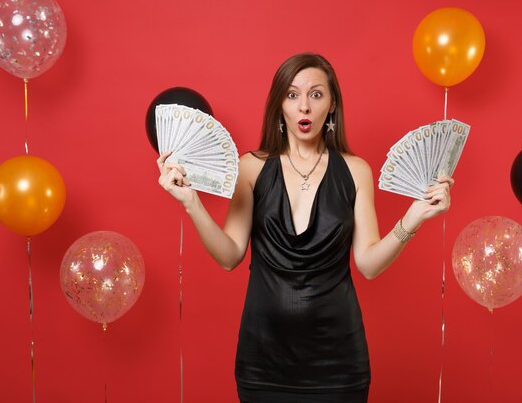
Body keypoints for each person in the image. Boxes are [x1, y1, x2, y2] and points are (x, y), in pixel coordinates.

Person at [157, 53, 453, 403]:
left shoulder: (356, 171)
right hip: (263, 360)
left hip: (338, 361)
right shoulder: (250, 167)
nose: (304, 107)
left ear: (331, 105)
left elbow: (369, 265)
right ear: (279, 103)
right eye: (293, 94)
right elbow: (229, 256)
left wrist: (413, 218)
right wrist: (191, 202)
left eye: (316, 94)